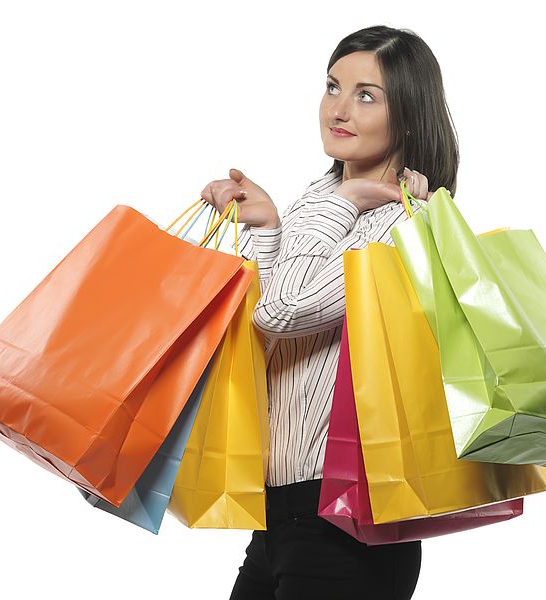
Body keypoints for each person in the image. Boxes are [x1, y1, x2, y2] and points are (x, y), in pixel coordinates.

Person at [200, 24, 459, 600]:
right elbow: (255, 335)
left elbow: (284, 311)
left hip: (347, 521)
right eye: (333, 86)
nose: (338, 109)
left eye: (367, 95)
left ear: (409, 117)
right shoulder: (317, 204)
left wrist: (343, 201)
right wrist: (267, 226)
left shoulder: (405, 224)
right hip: (278, 515)